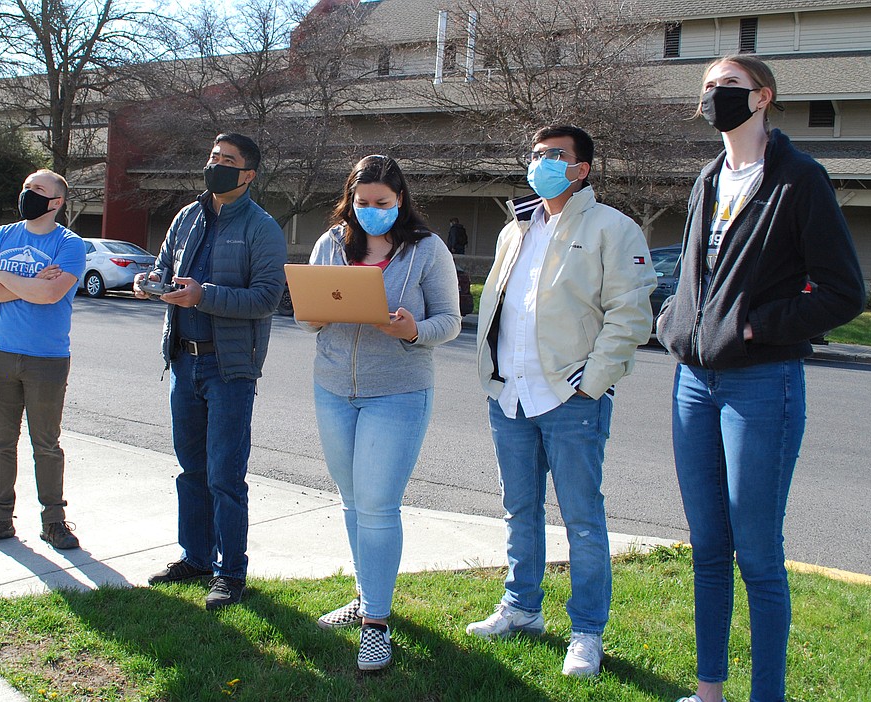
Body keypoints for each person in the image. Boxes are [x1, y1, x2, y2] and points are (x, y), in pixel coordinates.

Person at [657, 56, 865, 702]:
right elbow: (696, 275)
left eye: (729, 88)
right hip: (693, 382)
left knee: (757, 555)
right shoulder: (708, 178)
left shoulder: (799, 180)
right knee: (708, 548)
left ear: (763, 97)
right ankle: (710, 690)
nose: (714, 97)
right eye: (707, 89)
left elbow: (844, 292)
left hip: (760, 385)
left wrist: (760, 325)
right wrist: (675, 322)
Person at [465, 125, 656, 678]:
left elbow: (630, 314)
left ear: (582, 169)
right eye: (535, 154)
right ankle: (522, 607)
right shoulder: (515, 229)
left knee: (583, 520)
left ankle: (586, 631)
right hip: (511, 395)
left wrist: (591, 381)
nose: (541, 162)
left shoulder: (611, 229)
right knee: (519, 510)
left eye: (554, 155)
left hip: (571, 398)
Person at [303, 155, 461, 671]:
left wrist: (412, 330)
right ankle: (364, 594)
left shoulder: (427, 249)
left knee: (377, 505)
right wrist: (316, 315)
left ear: (400, 201)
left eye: (382, 203)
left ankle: (377, 624)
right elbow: (308, 316)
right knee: (351, 501)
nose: (370, 211)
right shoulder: (331, 243)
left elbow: (451, 322)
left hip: (397, 391)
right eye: (361, 202)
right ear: (350, 199)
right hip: (332, 388)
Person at [134, 133, 287, 610]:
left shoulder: (262, 228)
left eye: (227, 160)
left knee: (225, 474)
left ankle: (230, 573)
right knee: (191, 470)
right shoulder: (186, 217)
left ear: (248, 175)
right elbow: (162, 268)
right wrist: (148, 283)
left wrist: (205, 295)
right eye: (213, 156)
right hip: (184, 361)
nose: (215, 164)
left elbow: (267, 298)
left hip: (230, 368)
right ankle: (196, 557)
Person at [0, 169, 87, 551]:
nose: (27, 194)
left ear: (57, 203)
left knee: (46, 444)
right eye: (26, 187)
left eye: (37, 190)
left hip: (46, 359)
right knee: (0, 442)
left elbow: (50, 296)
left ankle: (54, 522)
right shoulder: (0, 236)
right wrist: (28, 283)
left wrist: (1, 274)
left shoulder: (70, 244)